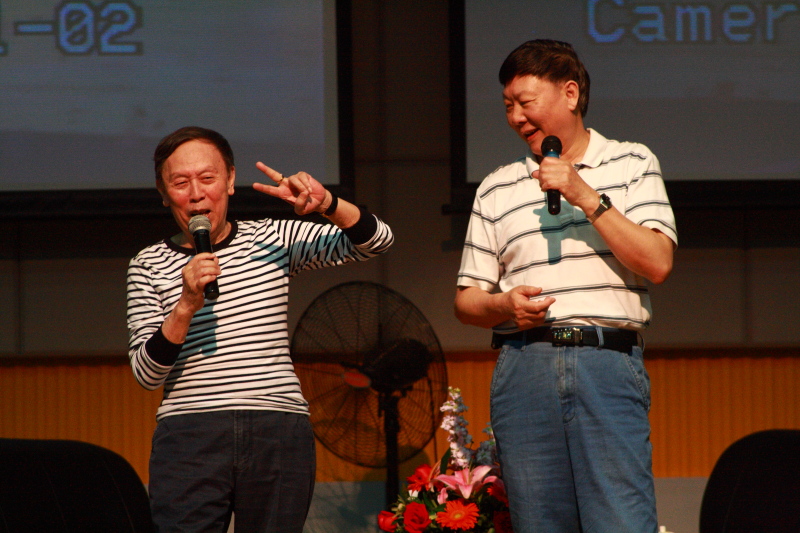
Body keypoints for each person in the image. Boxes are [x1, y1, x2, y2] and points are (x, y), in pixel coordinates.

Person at [454, 40, 677, 532]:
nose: (516, 117)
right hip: (523, 367)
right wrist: (503, 304)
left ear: (570, 94)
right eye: (507, 106)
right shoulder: (496, 187)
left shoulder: (632, 162)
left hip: (606, 363)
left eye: (525, 102)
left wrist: (583, 193)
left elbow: (658, 262)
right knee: (539, 522)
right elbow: (466, 301)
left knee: (621, 520)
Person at [126, 126, 393, 532]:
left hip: (277, 425)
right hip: (190, 432)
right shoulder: (148, 263)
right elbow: (146, 374)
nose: (196, 194)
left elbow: (377, 242)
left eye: (208, 178)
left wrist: (328, 204)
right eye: (180, 183)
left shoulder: (271, 237)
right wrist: (185, 306)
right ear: (164, 194)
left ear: (230, 180)